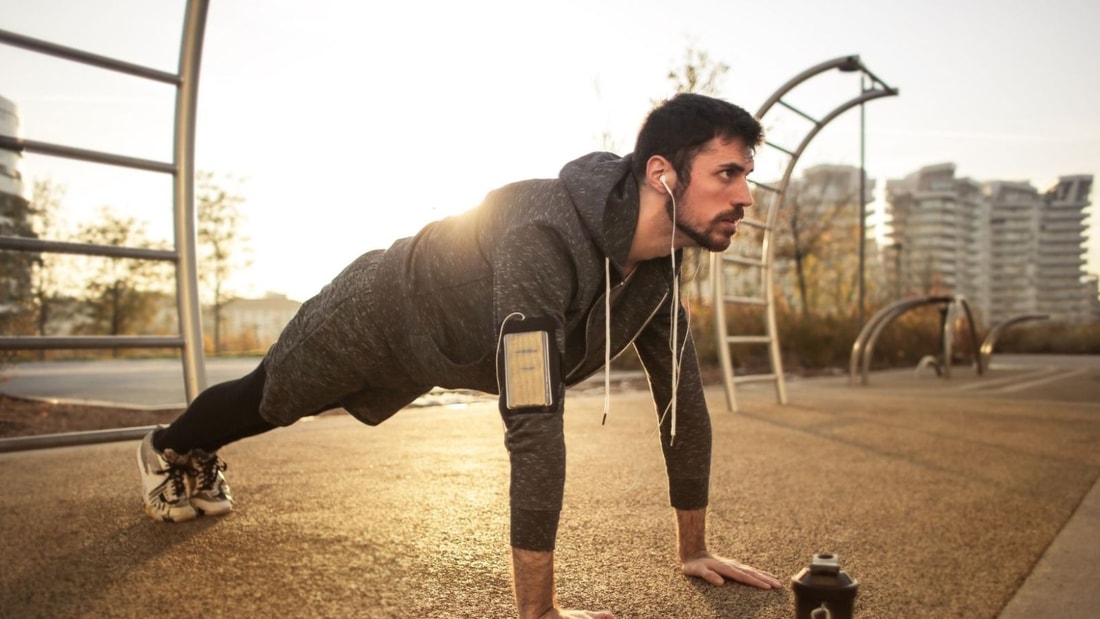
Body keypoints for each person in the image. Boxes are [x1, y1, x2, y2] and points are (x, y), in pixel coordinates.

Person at [136, 92, 783, 618]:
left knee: (278, 398)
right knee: (270, 398)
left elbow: (683, 399)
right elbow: (533, 415)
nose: (745, 197)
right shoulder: (543, 236)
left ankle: (187, 447)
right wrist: (540, 612)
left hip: (440, 352)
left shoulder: (660, 269)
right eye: (728, 173)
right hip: (378, 309)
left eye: (747, 176)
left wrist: (693, 548)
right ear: (662, 174)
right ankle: (168, 444)